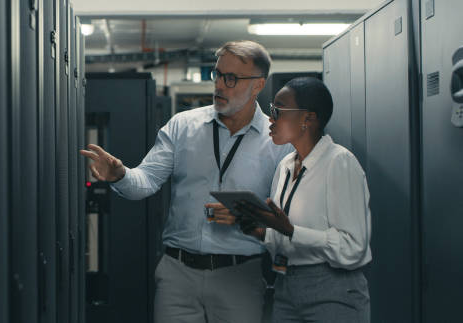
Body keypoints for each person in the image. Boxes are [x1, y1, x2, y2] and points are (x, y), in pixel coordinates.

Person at [80, 40, 293, 323]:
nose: (219, 85)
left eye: (231, 79)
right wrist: (121, 175)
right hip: (178, 274)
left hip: (240, 275)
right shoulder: (183, 126)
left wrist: (248, 216)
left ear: (257, 85)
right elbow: (146, 181)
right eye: (217, 74)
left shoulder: (277, 142)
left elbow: (288, 217)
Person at [235, 77, 372, 323]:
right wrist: (262, 232)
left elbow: (353, 247)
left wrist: (290, 230)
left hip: (332, 291)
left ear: (308, 119)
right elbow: (286, 237)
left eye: (279, 111)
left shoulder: (339, 162)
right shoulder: (286, 166)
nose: (271, 119)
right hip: (287, 286)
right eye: (271, 111)